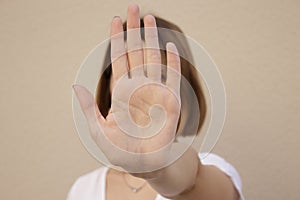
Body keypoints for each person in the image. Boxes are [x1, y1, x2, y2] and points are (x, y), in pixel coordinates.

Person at [69, 3, 244, 200]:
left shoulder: (212, 171)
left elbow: (190, 181)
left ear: (185, 93)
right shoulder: (83, 189)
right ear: (108, 87)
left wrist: (158, 168)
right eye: (129, 73)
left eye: (159, 75)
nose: (141, 88)